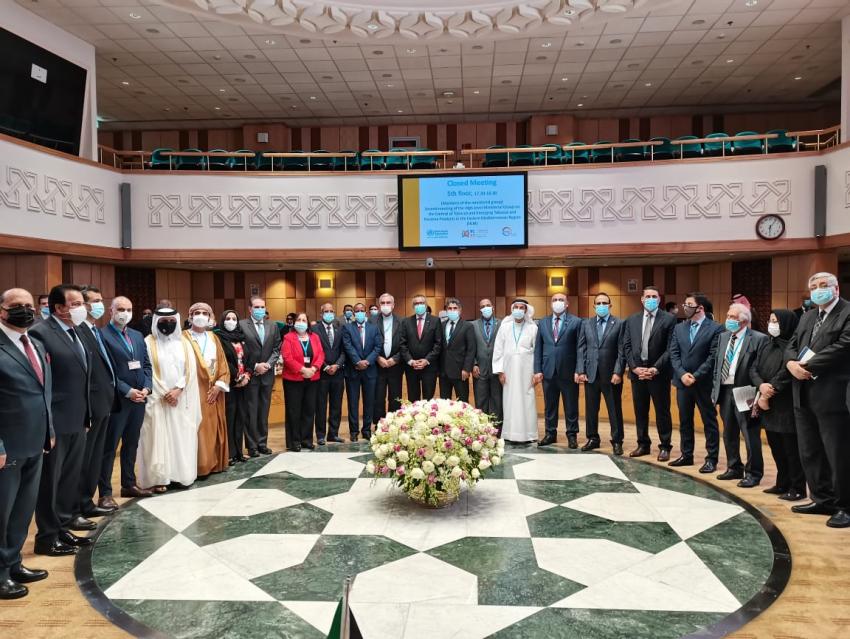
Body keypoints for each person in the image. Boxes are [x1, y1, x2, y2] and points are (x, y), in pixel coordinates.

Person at [30, 284, 92, 556]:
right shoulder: (41, 333)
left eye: (82, 303)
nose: (82, 308)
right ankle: (47, 537)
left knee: (69, 478)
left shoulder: (77, 330)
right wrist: (49, 426)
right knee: (50, 482)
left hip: (78, 417)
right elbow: (42, 382)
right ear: (59, 308)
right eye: (76, 304)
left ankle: (63, 526)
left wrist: (86, 415)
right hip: (56, 420)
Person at [785, 272, 850, 528]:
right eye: (814, 286)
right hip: (802, 393)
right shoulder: (808, 315)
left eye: (824, 285)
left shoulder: (847, 312)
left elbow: (844, 346)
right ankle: (822, 499)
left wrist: (807, 366)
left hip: (833, 394)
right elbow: (792, 344)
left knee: (838, 453)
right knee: (810, 451)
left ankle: (844, 506)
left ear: (836, 289)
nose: (818, 290)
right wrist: (790, 363)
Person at [0, 288, 53, 599]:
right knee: (2, 511)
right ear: (2, 311)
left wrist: (50, 430)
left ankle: (13, 562)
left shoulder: (34, 343)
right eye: (16, 305)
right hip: (8, 445)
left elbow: (44, 392)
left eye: (29, 305)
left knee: (22, 510)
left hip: (36, 440)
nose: (25, 310)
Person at [137, 307, 202, 491]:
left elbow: (191, 370)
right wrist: (165, 393)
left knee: (181, 438)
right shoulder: (148, 342)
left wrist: (178, 390)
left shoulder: (184, 343)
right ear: (155, 322)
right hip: (158, 400)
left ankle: (181, 475)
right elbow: (147, 371)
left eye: (172, 321)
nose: (168, 324)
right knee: (157, 439)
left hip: (180, 400)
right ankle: (160, 478)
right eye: (163, 321)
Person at [99, 296, 152, 505]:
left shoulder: (137, 335)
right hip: (117, 400)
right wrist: (127, 390)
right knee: (110, 447)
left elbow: (146, 365)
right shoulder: (102, 335)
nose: (125, 313)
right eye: (120, 309)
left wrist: (147, 388)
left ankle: (129, 484)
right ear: (111, 311)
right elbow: (106, 371)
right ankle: (105, 493)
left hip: (139, 399)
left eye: (128, 309)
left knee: (131, 443)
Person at [750, 310, 806, 501]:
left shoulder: (794, 346)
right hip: (767, 403)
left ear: (787, 324)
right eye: (770, 320)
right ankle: (782, 482)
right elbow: (754, 368)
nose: (771, 324)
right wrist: (761, 385)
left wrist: (770, 389)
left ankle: (797, 487)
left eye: (776, 321)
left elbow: (787, 372)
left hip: (785, 403)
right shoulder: (767, 343)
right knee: (776, 448)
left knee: (791, 450)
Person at [711, 303, 767, 488]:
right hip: (725, 390)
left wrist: (758, 394)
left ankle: (753, 473)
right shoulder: (723, 337)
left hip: (746, 390)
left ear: (744, 321)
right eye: (728, 316)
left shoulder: (758, 338)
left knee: (749, 434)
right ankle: (734, 467)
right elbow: (718, 365)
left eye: (732, 317)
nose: (728, 320)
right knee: (729, 432)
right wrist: (714, 390)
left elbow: (760, 368)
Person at [75, 286, 118, 524]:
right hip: (90, 406)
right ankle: (77, 506)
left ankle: (87, 502)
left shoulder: (94, 330)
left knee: (95, 457)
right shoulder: (79, 330)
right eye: (94, 301)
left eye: (101, 300)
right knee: (84, 460)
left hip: (104, 404)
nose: (99, 305)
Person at [668, 293, 723, 472]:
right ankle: (686, 455)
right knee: (685, 421)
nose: (685, 307)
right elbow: (674, 354)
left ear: (700, 308)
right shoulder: (679, 328)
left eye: (689, 304)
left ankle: (711, 459)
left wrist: (696, 376)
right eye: (685, 304)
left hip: (704, 383)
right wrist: (682, 374)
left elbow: (713, 356)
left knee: (709, 421)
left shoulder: (716, 328)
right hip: (682, 383)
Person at [622, 286, 676, 461]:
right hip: (637, 373)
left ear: (659, 299)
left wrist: (655, 368)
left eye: (654, 296)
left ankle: (665, 446)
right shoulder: (632, 319)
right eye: (648, 296)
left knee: (662, 412)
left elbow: (670, 348)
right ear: (642, 299)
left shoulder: (669, 319)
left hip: (658, 374)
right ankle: (643, 444)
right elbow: (627, 346)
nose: (651, 299)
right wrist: (634, 367)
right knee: (640, 411)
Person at [575, 293, 626, 456]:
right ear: (594, 306)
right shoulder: (586, 323)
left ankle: (617, 441)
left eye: (605, 303)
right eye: (598, 303)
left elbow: (622, 351)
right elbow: (581, 348)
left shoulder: (619, 323)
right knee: (591, 409)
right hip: (591, 374)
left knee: (614, 410)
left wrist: (618, 371)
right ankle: (593, 438)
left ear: (610, 306)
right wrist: (581, 370)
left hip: (611, 376)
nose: (601, 306)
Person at [185, 303, 230, 477]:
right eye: (197, 313)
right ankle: (198, 467)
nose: (201, 316)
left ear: (210, 317)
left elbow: (223, 364)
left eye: (205, 313)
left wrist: (219, 386)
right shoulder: (184, 338)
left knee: (212, 428)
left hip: (214, 393)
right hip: (193, 393)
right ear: (190, 316)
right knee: (197, 430)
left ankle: (214, 464)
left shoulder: (213, 338)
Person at [534, 293, 582, 447]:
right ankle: (550, 433)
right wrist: (537, 369)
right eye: (554, 300)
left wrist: (579, 370)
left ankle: (572, 435)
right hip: (548, 371)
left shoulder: (576, 322)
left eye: (561, 300)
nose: (557, 302)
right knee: (550, 406)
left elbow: (580, 348)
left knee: (571, 405)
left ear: (567, 303)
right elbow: (538, 348)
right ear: (551, 304)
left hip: (569, 372)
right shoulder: (543, 322)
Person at [493, 299, 538, 443]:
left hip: (527, 371)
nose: (518, 310)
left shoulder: (533, 328)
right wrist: (500, 371)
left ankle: (529, 434)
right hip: (508, 371)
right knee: (510, 401)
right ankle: (509, 434)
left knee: (527, 401)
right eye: (516, 307)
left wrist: (536, 372)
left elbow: (537, 351)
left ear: (526, 310)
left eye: (521, 307)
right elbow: (498, 349)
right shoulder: (505, 327)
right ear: (512, 309)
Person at [240, 297, 281, 457]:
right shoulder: (242, 325)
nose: (260, 310)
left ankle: (262, 443)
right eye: (256, 307)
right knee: (251, 412)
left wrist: (268, 365)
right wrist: (255, 365)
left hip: (267, 375)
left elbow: (277, 348)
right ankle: (252, 446)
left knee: (264, 411)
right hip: (251, 375)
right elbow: (240, 350)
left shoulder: (273, 325)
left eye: (262, 307)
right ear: (250, 309)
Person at [281, 313, 325, 451]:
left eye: (304, 320)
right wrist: (302, 370)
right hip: (293, 380)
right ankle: (294, 441)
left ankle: (306, 439)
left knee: (309, 410)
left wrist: (314, 368)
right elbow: (287, 358)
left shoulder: (315, 337)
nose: (301, 322)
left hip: (312, 378)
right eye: (298, 320)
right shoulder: (288, 337)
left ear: (308, 323)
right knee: (294, 411)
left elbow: (321, 354)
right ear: (294, 323)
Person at [214, 310, 253, 465]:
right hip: (230, 384)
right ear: (223, 321)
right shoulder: (219, 338)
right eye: (228, 318)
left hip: (244, 385)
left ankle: (239, 452)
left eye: (234, 318)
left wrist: (247, 375)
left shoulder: (242, 338)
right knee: (230, 418)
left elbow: (249, 359)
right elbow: (224, 361)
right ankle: (229, 454)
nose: (231, 321)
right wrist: (237, 377)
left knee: (241, 418)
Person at [342, 303, 381, 441]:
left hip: (370, 371)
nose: (359, 312)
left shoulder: (374, 328)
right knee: (353, 403)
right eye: (356, 311)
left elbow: (378, 347)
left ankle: (366, 430)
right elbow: (347, 346)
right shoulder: (347, 327)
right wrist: (357, 361)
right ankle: (354, 431)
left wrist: (367, 361)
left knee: (369, 402)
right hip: (353, 370)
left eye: (361, 310)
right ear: (353, 313)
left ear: (366, 312)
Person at [399, 295, 442, 401]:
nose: (419, 305)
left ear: (426, 305)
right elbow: (402, 344)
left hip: (429, 367)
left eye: (421, 303)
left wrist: (426, 360)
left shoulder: (435, 321)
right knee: (413, 399)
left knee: (428, 400)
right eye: (416, 303)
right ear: (413, 306)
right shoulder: (406, 322)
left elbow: (438, 344)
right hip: (411, 368)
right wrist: (410, 361)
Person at [314, 303, 346, 444]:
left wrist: (337, 365)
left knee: (336, 405)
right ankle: (321, 435)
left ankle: (333, 434)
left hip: (338, 373)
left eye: (331, 311)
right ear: (321, 314)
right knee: (321, 406)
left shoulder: (340, 328)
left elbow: (344, 350)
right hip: (322, 374)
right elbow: (315, 351)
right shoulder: (315, 329)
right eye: (326, 311)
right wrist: (326, 366)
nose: (329, 313)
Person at [372, 294, 403, 428]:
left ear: (393, 305)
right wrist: (377, 357)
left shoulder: (402, 321)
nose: (385, 305)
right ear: (379, 305)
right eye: (383, 303)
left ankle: (394, 424)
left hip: (395, 366)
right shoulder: (372, 321)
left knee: (395, 397)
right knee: (378, 397)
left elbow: (405, 344)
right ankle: (379, 425)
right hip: (377, 365)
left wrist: (395, 359)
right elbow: (368, 343)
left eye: (388, 302)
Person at [471, 298, 503, 428]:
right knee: (481, 401)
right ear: (480, 309)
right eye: (483, 306)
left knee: (497, 401)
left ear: (493, 307)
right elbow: (470, 347)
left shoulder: (501, 324)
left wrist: (502, 367)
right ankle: (482, 429)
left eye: (488, 305)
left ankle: (496, 429)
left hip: (497, 370)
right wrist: (473, 364)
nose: (486, 308)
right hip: (479, 369)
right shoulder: (473, 325)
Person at [439, 298, 475, 402]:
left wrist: (466, 369)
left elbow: (471, 349)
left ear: (460, 310)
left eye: (455, 308)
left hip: (460, 372)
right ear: (446, 310)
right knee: (444, 403)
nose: (452, 310)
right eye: (450, 308)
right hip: (444, 372)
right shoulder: (441, 325)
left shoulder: (467, 326)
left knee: (462, 403)